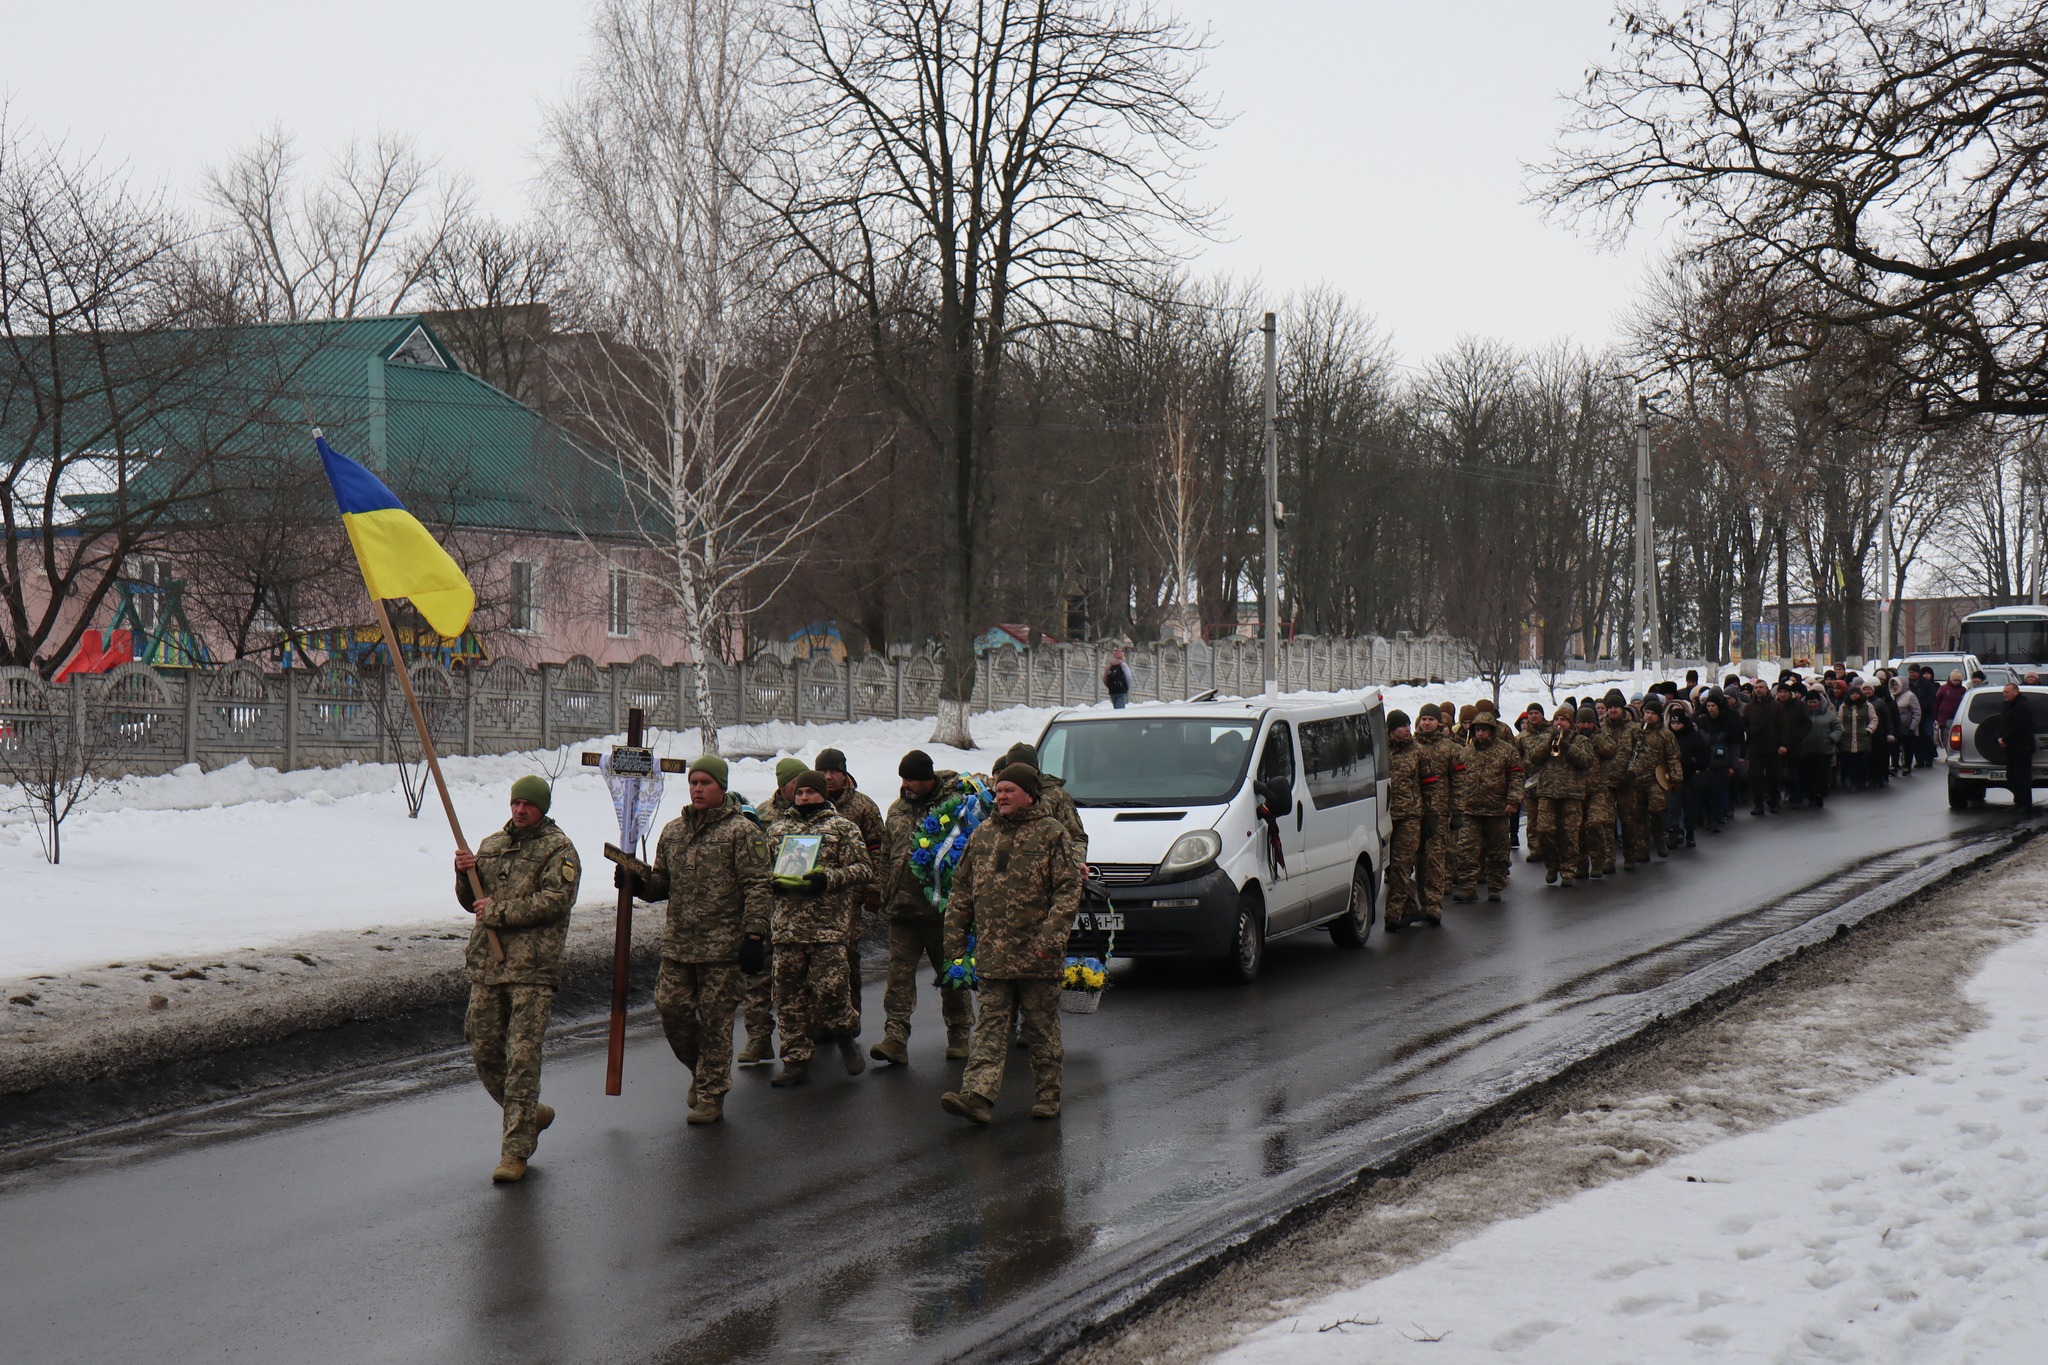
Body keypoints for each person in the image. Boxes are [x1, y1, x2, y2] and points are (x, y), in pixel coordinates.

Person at [626, 755, 770, 1126]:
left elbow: (758, 886)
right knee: (671, 1012)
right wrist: (639, 883)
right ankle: (702, 1070)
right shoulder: (674, 831)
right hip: (679, 947)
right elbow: (661, 884)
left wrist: (755, 935)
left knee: (716, 1022)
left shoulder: (742, 832)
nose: (698, 789)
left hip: (723, 950)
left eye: (706, 783)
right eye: (693, 783)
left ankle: (711, 1095)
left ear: (721, 787)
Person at [940, 764, 1084, 1124]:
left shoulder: (1052, 833)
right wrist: (955, 936)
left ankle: (1048, 1095)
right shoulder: (983, 834)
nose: (1001, 796)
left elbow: (1068, 888)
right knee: (990, 1026)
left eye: (1010, 790)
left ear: (1030, 795)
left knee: (1040, 1029)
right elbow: (961, 889)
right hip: (993, 954)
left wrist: (1051, 937)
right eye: (999, 790)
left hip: (1037, 954)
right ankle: (977, 1096)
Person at [454, 775, 580, 1184]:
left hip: (532, 969)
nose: (520, 809)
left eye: (528, 804)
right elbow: (473, 901)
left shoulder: (558, 849)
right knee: (485, 1048)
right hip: (489, 966)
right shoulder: (492, 845)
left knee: (522, 1058)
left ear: (542, 807)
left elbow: (554, 902)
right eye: (515, 803)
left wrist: (500, 912)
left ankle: (515, 1150)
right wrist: (463, 874)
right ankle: (530, 1114)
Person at [752, 770, 872, 1086]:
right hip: (787, 929)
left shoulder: (843, 829)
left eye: (811, 792)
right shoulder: (778, 831)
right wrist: (774, 884)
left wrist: (828, 879)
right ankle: (795, 1061)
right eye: (800, 792)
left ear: (824, 795)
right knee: (788, 998)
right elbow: (762, 872)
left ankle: (845, 1036)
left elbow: (862, 869)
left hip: (828, 928)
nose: (804, 797)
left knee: (832, 993)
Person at [870, 750, 978, 1064]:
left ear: (929, 779)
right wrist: (884, 891)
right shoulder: (897, 808)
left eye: (912, 779)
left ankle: (959, 1034)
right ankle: (895, 1038)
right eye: (903, 779)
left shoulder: (956, 806)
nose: (906, 785)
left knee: (951, 974)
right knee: (898, 976)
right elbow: (887, 853)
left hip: (943, 912)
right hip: (902, 910)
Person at [737, 757, 808, 1065]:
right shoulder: (761, 815)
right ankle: (758, 1038)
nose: (802, 789)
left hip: (801, 909)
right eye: (797, 783)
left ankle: (805, 1035)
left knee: (797, 977)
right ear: (783, 785)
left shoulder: (813, 811)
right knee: (757, 974)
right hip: (765, 905)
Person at [816, 747, 885, 1020]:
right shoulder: (810, 801)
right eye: (823, 771)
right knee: (818, 960)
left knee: (847, 957)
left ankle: (850, 1015)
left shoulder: (863, 806)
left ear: (845, 774)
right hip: (815, 897)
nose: (828, 777)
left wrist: (874, 890)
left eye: (834, 771)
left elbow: (878, 850)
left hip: (850, 896)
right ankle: (821, 1018)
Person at [1450, 713, 1520, 902]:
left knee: (1498, 850)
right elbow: (1457, 778)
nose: (1480, 734)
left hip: (1497, 809)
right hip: (1470, 809)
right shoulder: (1465, 752)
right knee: (1465, 849)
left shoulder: (1507, 751)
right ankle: (1467, 887)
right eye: (1477, 730)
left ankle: (1495, 886)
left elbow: (1516, 776)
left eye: (1484, 730)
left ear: (1492, 731)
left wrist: (1513, 800)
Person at [1526, 707, 1593, 886]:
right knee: (1544, 831)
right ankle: (1552, 866)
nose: (1559, 723)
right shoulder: (1544, 738)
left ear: (1570, 723)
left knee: (1570, 834)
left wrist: (1567, 747)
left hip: (1571, 794)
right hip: (1547, 793)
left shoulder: (1581, 740)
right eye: (1557, 719)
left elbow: (1587, 761)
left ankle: (1568, 871)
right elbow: (1533, 757)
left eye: (1563, 720)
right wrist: (1549, 742)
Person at [1001, 741, 1088, 869]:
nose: (1019, 772)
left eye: (1024, 767)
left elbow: (1077, 837)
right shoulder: (1002, 795)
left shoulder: (1056, 795)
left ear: (1036, 769)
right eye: (1013, 767)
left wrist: (1076, 862)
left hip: (1048, 870)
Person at [1414, 703, 1459, 921]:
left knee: (1434, 859)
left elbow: (1459, 782)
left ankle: (1433, 905)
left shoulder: (1450, 748)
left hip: (1439, 812)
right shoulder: (1411, 747)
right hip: (1413, 812)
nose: (1427, 723)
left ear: (1438, 723)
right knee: (1417, 860)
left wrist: (1457, 811)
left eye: (1431, 719)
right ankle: (1420, 903)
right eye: (1424, 719)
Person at [1383, 710, 1425, 930]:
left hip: (1410, 816)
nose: (1408, 729)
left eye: (1409, 725)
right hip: (1384, 816)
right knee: (1391, 867)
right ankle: (1411, 909)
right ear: (1391, 730)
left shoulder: (1418, 751)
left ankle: (1393, 914)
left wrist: (1433, 815)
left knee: (1401, 866)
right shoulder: (1380, 753)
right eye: (1402, 726)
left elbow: (1430, 784)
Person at [1995, 682, 2036, 810]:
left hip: (2022, 747)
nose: (2004, 695)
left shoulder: (2022, 706)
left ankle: (2025, 804)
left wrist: (2006, 737)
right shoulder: (2006, 706)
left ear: (2015, 692)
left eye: (2007, 692)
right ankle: (2018, 801)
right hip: (2010, 747)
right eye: (2003, 692)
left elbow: (2019, 726)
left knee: (2022, 777)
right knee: (2012, 776)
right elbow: (2002, 723)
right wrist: (1999, 737)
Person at [1799, 689, 1842, 808]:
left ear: (1819, 701)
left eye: (1814, 702)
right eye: (1810, 702)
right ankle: (1810, 794)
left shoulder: (1828, 713)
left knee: (1821, 774)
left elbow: (1838, 728)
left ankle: (1819, 794)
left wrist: (1831, 738)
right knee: (1807, 774)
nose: (1812, 705)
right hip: (1805, 750)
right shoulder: (1802, 713)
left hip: (1824, 750)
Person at [1933, 670, 1967, 762]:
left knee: (1956, 739)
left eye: (1958, 680)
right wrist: (1936, 717)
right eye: (1954, 680)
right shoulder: (1943, 689)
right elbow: (1936, 702)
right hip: (1945, 719)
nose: (1956, 682)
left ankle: (1955, 755)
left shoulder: (1963, 690)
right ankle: (1949, 754)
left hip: (1957, 718)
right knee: (1946, 738)